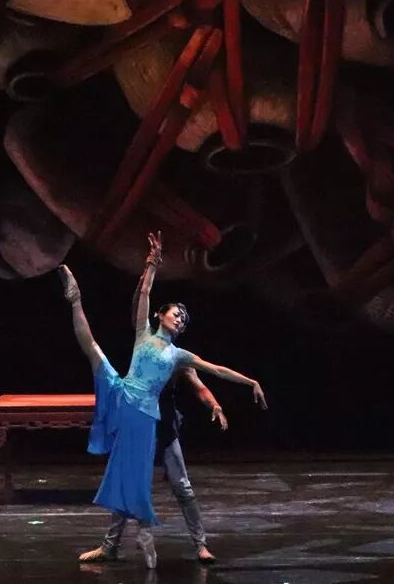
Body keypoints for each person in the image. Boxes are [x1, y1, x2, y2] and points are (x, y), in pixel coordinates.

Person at [58, 231, 267, 569]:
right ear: (160, 315)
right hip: (127, 397)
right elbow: (143, 292)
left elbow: (214, 370)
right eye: (175, 313)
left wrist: (249, 382)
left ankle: (200, 544)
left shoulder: (179, 356)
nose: (180, 318)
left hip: (158, 422)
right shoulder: (143, 333)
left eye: (184, 318)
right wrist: (153, 263)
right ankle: (75, 299)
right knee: (93, 350)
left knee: (177, 486)